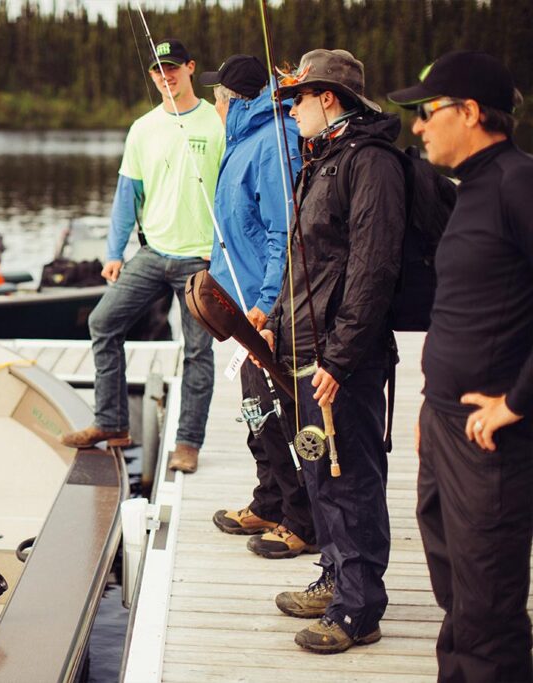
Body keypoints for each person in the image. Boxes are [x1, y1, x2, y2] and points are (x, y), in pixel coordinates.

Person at [389, 51, 532, 682]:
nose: (418, 127)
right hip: (445, 424)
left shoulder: (518, 183)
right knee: (457, 598)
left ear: (470, 113)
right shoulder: (470, 189)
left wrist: (517, 402)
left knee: (488, 611)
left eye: (427, 112)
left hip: (490, 436)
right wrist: (430, 404)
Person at [261, 49, 405, 653]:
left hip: (346, 362)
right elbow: (305, 262)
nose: (291, 111)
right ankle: (335, 576)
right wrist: (270, 321)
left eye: (299, 99)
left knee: (353, 480)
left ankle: (359, 609)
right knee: (318, 467)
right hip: (302, 350)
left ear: (329, 99)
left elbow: (373, 271)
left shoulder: (371, 164)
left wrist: (340, 361)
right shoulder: (320, 161)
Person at [59, 38, 225, 474]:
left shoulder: (217, 121)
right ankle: (111, 423)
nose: (165, 76)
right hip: (152, 255)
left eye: (172, 67)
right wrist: (114, 252)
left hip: (201, 261)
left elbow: (236, 193)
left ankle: (188, 443)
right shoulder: (143, 128)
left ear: (190, 68)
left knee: (197, 352)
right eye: (157, 70)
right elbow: (126, 196)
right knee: (102, 323)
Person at [200, 55, 315, 559]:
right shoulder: (246, 140)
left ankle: (302, 519)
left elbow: (282, 232)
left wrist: (267, 305)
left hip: (265, 310)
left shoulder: (274, 143)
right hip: (240, 306)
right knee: (255, 411)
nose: (213, 106)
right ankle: (269, 500)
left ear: (235, 101)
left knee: (278, 413)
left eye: (217, 98)